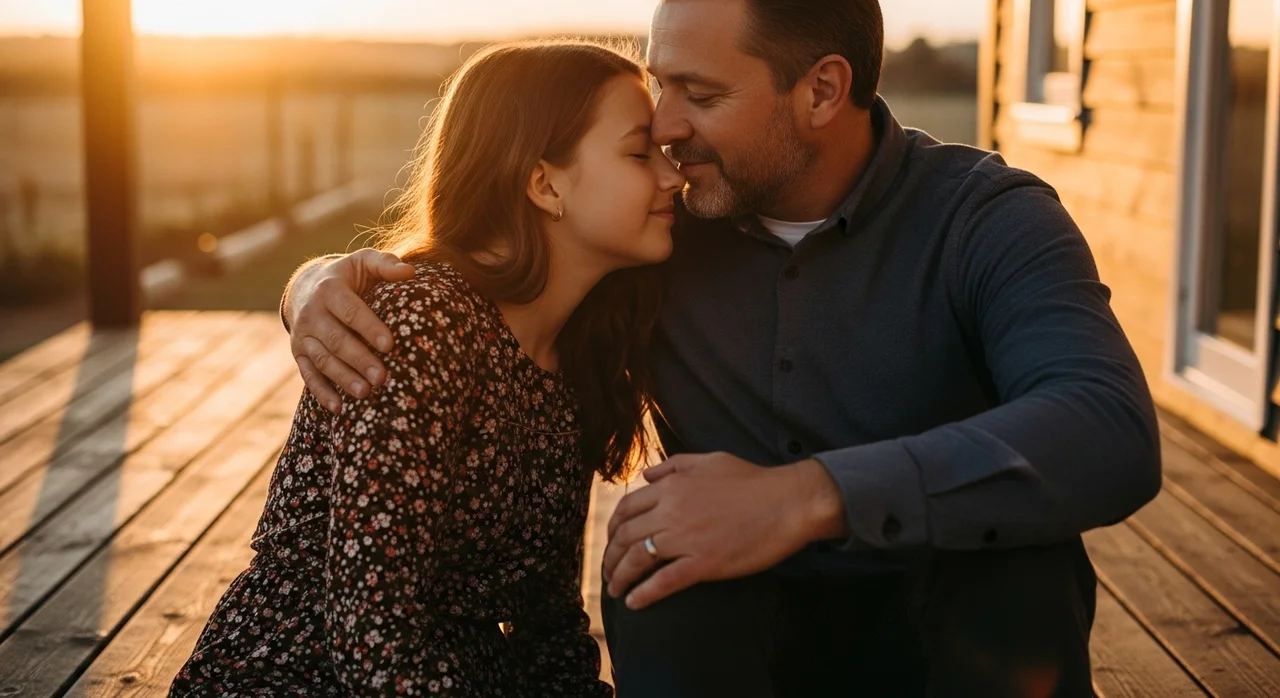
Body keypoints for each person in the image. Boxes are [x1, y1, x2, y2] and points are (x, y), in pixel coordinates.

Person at [278, 1, 1163, 696]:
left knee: (1021, 570)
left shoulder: (986, 218)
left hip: (943, 619)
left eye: (699, 94)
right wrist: (314, 283)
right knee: (660, 570)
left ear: (820, 90)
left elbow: (1108, 427)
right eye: (661, 87)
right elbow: (505, 260)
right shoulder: (661, 225)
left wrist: (809, 497)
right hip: (734, 631)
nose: (665, 127)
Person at [170, 39, 683, 697]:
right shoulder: (427, 321)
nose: (673, 176)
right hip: (303, 676)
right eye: (640, 153)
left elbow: (547, 619)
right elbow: (369, 624)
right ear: (544, 183)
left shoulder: (575, 359)